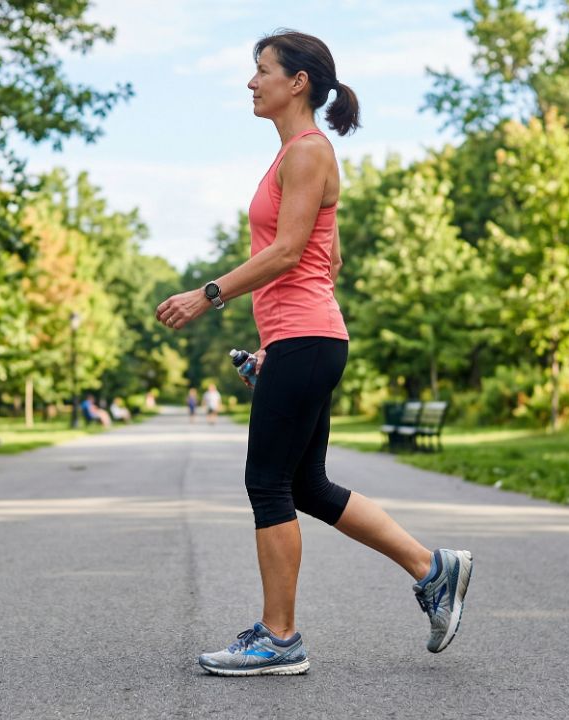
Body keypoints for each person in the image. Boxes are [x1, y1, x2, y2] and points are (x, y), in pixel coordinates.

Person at [155, 30, 473, 677]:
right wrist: (276, 348)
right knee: (307, 485)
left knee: (267, 482)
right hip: (302, 340)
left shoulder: (307, 151)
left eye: (262, 71)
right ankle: (431, 568)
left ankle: (279, 638)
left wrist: (207, 293)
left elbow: (288, 255)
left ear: (297, 82)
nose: (252, 82)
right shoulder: (294, 158)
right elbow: (326, 260)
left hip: (308, 338)